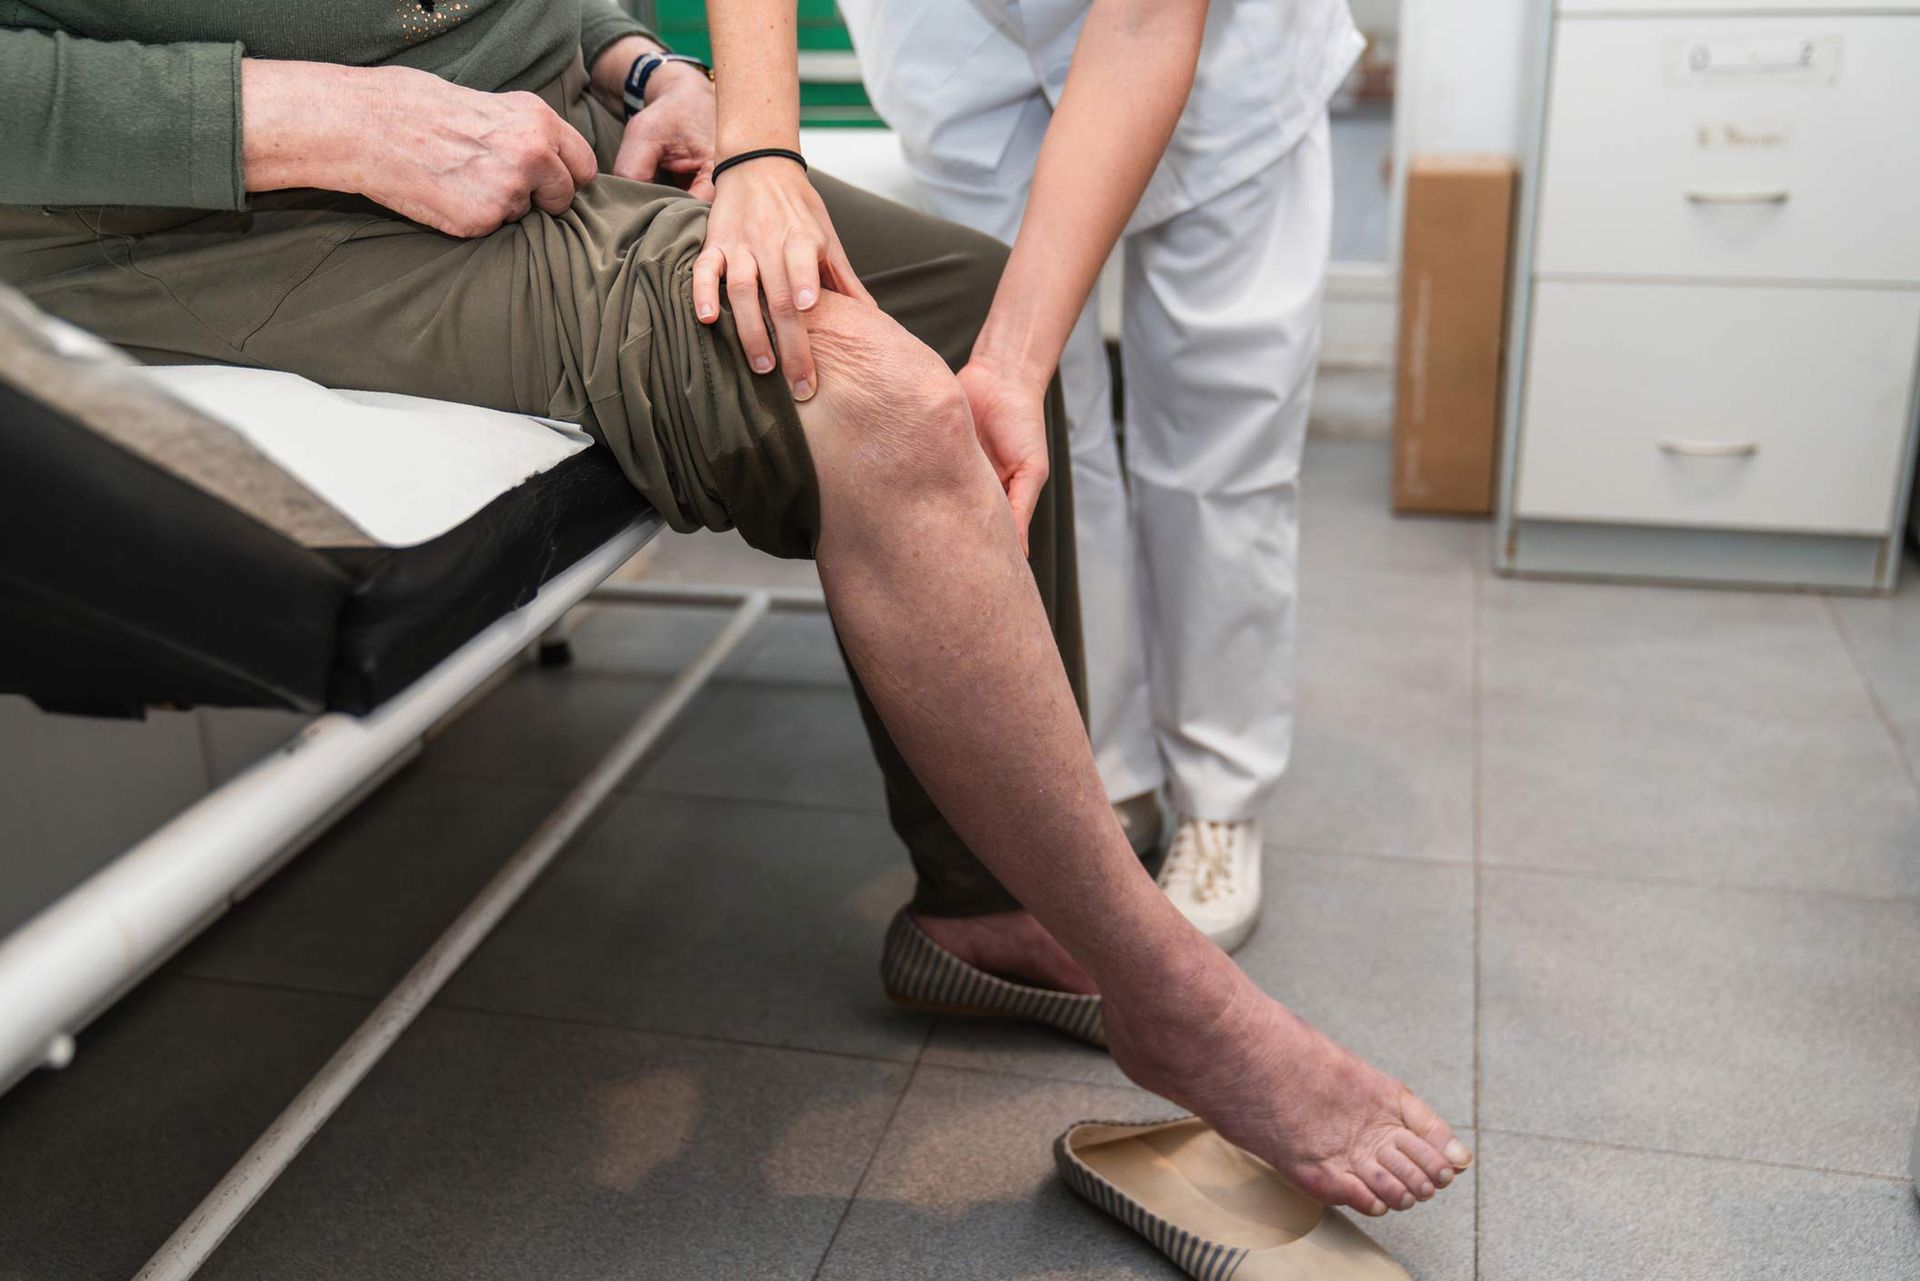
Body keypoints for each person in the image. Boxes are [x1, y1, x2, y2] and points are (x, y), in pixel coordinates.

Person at [0, 0, 1468, 1218]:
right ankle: (1178, 1004)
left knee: (970, 303)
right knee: (872, 396)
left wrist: (640, 62)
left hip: (518, 128)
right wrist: (322, 117)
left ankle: (989, 910)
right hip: (195, 210)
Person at [839, 0, 1363, 951]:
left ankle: (1220, 792)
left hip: (1216, 46)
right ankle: (1108, 773)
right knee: (1037, 437)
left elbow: (1145, 19)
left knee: (1222, 423)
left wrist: (1014, 356)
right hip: (953, 35)